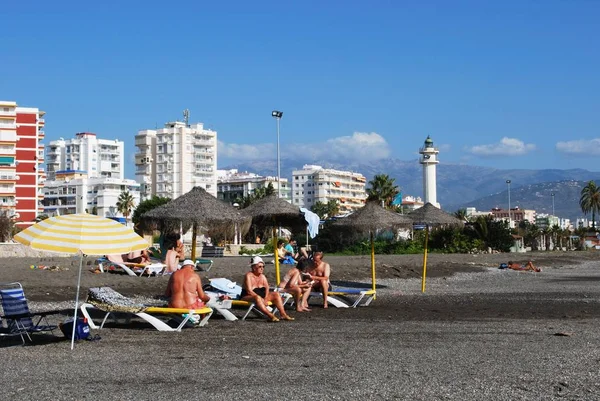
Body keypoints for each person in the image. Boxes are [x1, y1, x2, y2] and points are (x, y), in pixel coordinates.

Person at [241, 256, 295, 322]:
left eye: (263, 266)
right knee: (257, 297)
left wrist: (266, 298)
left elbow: (267, 288)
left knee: (276, 294)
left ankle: (283, 314)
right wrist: (261, 299)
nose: (262, 268)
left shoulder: (262, 276)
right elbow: (249, 291)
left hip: (260, 296)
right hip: (247, 296)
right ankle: (271, 316)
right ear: (254, 267)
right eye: (260, 267)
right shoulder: (248, 276)